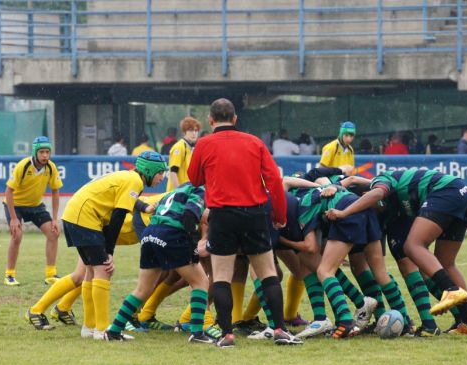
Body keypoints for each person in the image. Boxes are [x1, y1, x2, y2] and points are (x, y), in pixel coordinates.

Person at [187, 98, 302, 347]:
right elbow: (273, 181)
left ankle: (227, 334)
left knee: (222, 275)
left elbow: (194, 179)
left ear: (210, 120)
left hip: (222, 215)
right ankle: (280, 330)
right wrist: (279, 216)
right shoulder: (254, 142)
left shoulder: (204, 144)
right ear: (236, 119)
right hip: (255, 213)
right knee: (267, 273)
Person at [326, 169, 467, 335]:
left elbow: (376, 193)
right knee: (445, 263)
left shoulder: (381, 181)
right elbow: (354, 180)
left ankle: (451, 290)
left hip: (446, 191)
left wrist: (344, 212)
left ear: (366, 194)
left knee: (413, 246)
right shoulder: (393, 203)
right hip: (464, 192)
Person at [57, 151, 168, 340]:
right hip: (85, 217)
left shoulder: (129, 178)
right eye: (160, 173)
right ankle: (102, 330)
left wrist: (143, 208)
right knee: (104, 271)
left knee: (91, 272)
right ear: (149, 170)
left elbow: (124, 204)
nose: (162, 178)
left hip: (73, 214)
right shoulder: (135, 181)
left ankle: (89, 327)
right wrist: (109, 252)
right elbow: (118, 217)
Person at [105, 183, 214, 343]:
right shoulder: (201, 189)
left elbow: (200, 214)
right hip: (172, 234)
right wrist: (192, 245)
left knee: (142, 289)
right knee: (201, 282)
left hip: (151, 232)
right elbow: (190, 214)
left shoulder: (181, 189)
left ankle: (113, 331)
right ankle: (197, 334)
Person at [3, 136, 63, 286]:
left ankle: (50, 275)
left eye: (47, 152)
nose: (45, 155)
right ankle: (9, 275)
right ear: (35, 152)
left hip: (35, 205)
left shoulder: (51, 167)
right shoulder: (23, 166)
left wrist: (55, 219)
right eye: (42, 152)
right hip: (15, 205)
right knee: (17, 235)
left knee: (53, 233)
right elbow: (8, 192)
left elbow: (55, 192)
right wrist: (14, 218)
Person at [166, 116, 201, 191]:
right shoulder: (179, 147)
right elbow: (173, 173)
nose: (194, 133)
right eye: (191, 130)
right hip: (176, 194)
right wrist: (179, 192)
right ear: (184, 131)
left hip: (185, 191)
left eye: (196, 130)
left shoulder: (191, 148)